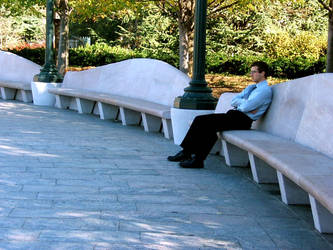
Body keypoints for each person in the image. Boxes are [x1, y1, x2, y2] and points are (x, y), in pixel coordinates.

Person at [167, 61, 273, 168]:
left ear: (263, 73)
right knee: (199, 119)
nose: (251, 74)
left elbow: (245, 107)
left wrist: (242, 103)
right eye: (251, 72)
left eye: (254, 72)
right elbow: (234, 101)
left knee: (209, 126)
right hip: (235, 115)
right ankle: (186, 152)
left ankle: (198, 160)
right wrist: (243, 103)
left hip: (243, 120)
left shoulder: (264, 91)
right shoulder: (252, 88)